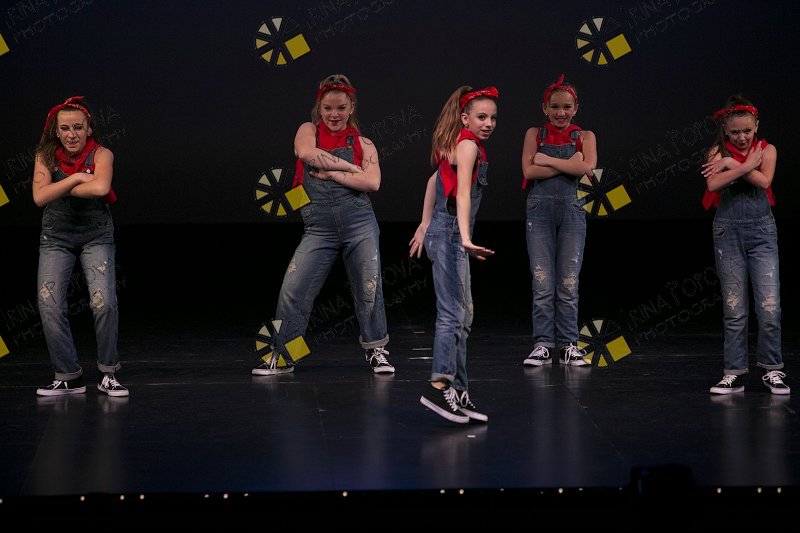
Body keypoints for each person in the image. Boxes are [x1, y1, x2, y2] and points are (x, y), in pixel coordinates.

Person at [252, 74, 394, 376]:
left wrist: (333, 174)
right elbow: (306, 154)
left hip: (359, 223)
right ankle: (286, 356)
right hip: (318, 227)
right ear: (319, 107)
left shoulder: (364, 143)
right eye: (328, 108)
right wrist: (350, 168)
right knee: (293, 290)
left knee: (368, 289)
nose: (334, 115)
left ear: (351, 107)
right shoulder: (308, 130)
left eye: (341, 108)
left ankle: (376, 351)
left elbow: (372, 182)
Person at [410, 85, 497, 424]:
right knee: (452, 314)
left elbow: (433, 181)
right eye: (481, 117)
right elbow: (461, 194)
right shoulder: (467, 145)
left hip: (445, 231)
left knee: (464, 315)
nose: (488, 123)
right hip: (450, 235)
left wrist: (424, 223)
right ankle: (438, 386)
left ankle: (458, 391)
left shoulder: (458, 143)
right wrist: (464, 237)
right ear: (465, 118)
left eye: (492, 118)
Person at [32, 95, 127, 397]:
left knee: (104, 301)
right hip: (55, 236)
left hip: (96, 234)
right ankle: (68, 375)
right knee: (49, 303)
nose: (71, 134)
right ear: (56, 131)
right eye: (65, 128)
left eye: (77, 127)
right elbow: (39, 197)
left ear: (89, 129)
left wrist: (58, 186)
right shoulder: (44, 156)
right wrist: (76, 178)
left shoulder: (102, 154)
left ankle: (108, 372)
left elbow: (101, 187)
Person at [701, 95, 789, 395]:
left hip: (761, 231)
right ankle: (734, 372)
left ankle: (772, 368)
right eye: (735, 132)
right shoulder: (717, 151)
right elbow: (713, 184)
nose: (741, 137)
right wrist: (737, 163)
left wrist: (731, 165)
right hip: (728, 232)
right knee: (734, 308)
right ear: (725, 130)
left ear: (756, 126)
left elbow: (765, 181)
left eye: (747, 131)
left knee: (769, 306)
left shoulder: (767, 149)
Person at [520, 74, 596, 368]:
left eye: (566, 107)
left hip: (572, 211)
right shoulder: (534, 134)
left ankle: (568, 345)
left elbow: (587, 167)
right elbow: (529, 172)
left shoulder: (586, 136)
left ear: (576, 108)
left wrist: (547, 160)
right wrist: (570, 165)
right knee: (542, 281)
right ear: (545, 108)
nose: (560, 113)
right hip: (539, 211)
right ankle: (542, 344)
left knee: (568, 282)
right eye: (554, 107)